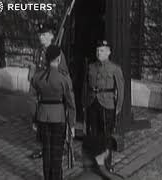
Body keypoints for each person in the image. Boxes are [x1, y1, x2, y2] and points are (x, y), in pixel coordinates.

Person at [31, 45, 76, 180]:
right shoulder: (64, 78)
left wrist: (34, 119)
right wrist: (72, 124)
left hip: (42, 117)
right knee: (56, 154)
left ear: (46, 58)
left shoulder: (38, 77)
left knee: (46, 152)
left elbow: (32, 99)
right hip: (59, 118)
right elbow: (71, 103)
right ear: (58, 58)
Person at [29, 23, 71, 159]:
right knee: (40, 118)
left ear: (51, 36)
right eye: (41, 35)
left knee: (57, 120)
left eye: (45, 35)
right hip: (41, 88)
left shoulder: (57, 52)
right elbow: (34, 69)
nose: (42, 37)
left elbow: (64, 73)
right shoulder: (38, 51)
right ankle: (43, 147)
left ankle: (61, 146)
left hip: (54, 90)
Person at [82, 40, 124, 170]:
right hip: (92, 103)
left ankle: (106, 164)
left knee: (106, 136)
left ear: (109, 52)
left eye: (102, 50)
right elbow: (85, 86)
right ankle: (95, 162)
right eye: (97, 50)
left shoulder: (115, 68)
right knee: (93, 134)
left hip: (107, 103)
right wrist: (84, 103)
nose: (99, 53)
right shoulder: (91, 67)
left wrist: (118, 107)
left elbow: (121, 89)